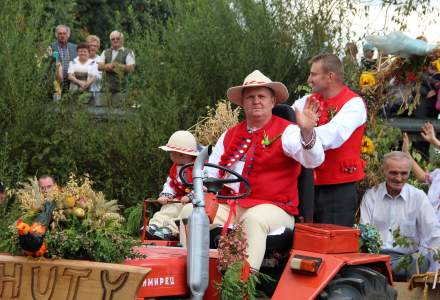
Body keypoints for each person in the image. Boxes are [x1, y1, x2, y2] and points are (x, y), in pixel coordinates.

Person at [179, 70, 324, 271]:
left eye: (262, 96)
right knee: (190, 211)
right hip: (232, 205)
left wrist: (307, 132)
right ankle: (191, 276)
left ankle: (238, 287)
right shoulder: (229, 135)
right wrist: (201, 192)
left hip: (275, 208)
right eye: (250, 97)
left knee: (253, 219)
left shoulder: (288, 132)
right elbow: (211, 174)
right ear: (243, 103)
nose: (256, 101)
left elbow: (313, 160)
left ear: (273, 101)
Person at [293, 53, 367, 227]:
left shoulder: (354, 104)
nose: (309, 79)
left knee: (334, 242)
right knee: (305, 238)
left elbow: (333, 136)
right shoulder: (307, 100)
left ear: (330, 76)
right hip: (307, 183)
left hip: (338, 186)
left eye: (313, 74)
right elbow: (287, 120)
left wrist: (305, 131)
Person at [360, 151, 440, 281]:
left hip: (407, 259)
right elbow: (363, 231)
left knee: (421, 261)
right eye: (393, 173)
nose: (398, 178)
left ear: (409, 173)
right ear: (383, 171)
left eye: (404, 173)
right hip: (376, 258)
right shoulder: (371, 195)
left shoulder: (418, 197)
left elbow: (433, 233)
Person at [146, 131, 199, 240]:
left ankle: (170, 230)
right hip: (178, 200)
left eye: (174, 153)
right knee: (167, 209)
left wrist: (190, 197)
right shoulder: (175, 168)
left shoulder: (197, 168)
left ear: (184, 155)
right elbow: (170, 183)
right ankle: (155, 225)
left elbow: (201, 186)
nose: (172, 156)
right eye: (171, 153)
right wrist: (167, 195)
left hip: (192, 203)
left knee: (184, 213)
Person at [403, 123, 440, 221]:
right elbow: (423, 177)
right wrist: (406, 154)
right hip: (430, 227)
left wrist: (434, 141)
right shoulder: (438, 174)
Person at [98, 31, 135, 106]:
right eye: (113, 39)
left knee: (120, 111)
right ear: (110, 41)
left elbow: (131, 68)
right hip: (105, 89)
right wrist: (117, 67)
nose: (115, 40)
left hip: (122, 89)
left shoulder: (129, 52)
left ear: (122, 39)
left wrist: (113, 66)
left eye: (117, 38)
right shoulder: (105, 51)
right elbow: (99, 66)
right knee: (103, 110)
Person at [50, 25, 77, 92]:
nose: (62, 36)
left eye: (64, 33)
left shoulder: (75, 47)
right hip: (56, 82)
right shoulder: (51, 47)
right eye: (60, 33)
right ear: (56, 35)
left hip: (71, 82)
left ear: (68, 35)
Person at [86, 35, 103, 106]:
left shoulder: (101, 60)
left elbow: (101, 77)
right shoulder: (80, 58)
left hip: (97, 92)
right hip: (82, 92)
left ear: (98, 47)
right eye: (90, 45)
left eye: (95, 46)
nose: (92, 47)